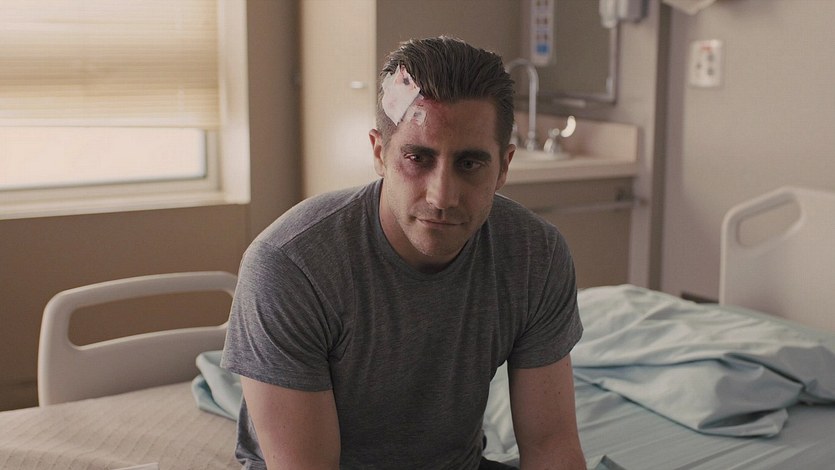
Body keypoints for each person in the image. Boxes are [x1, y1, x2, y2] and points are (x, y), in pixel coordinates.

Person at [222, 36, 585, 469]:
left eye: (469, 163)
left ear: (504, 166)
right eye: (418, 158)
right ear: (380, 153)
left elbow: (551, 448)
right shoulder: (290, 266)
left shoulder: (535, 255)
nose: (442, 196)